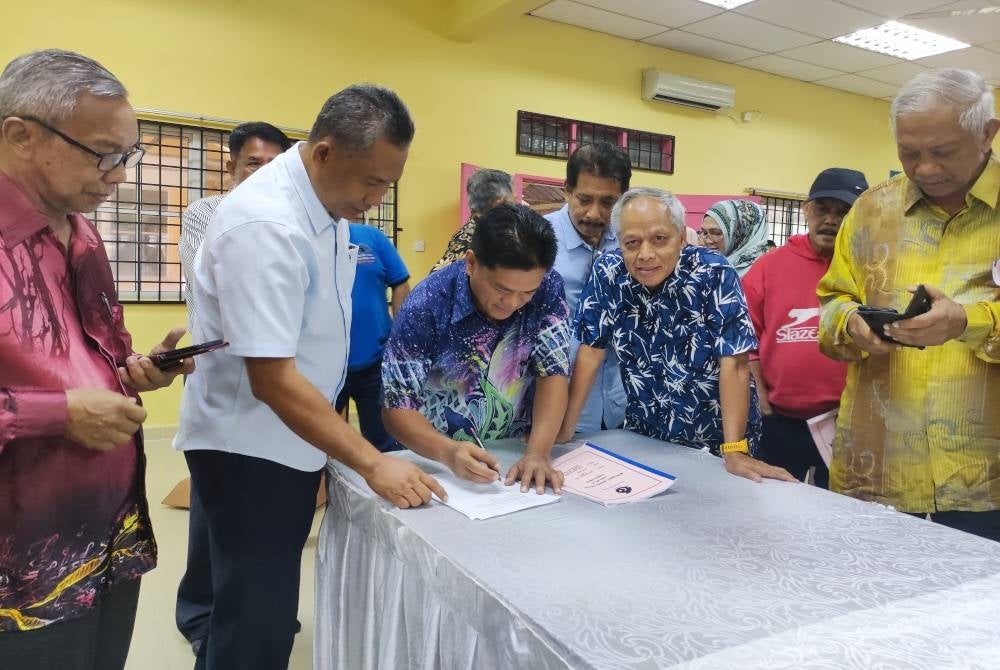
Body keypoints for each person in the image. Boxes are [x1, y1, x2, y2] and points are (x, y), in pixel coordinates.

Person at [174, 84, 445, 670]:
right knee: (255, 622)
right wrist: (371, 460)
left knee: (259, 609)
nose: (375, 199)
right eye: (369, 181)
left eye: (386, 185)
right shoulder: (265, 223)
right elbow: (271, 379)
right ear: (323, 153)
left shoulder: (326, 205)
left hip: (292, 436)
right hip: (251, 445)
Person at [0, 49, 190, 669]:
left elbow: (88, 354)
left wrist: (137, 369)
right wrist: (55, 414)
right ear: (21, 135)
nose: (117, 175)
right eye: (101, 153)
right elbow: (56, 399)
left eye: (126, 155)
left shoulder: (82, 232)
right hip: (20, 563)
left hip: (109, 532)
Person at [818, 68, 1000, 542]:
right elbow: (832, 301)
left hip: (987, 482)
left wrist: (968, 321)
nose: (924, 168)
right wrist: (850, 323)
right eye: (908, 152)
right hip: (879, 472)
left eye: (942, 152)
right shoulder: (870, 211)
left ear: (988, 134)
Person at [557, 187, 795, 484]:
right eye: (631, 243)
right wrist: (566, 427)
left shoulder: (713, 273)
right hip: (645, 434)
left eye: (659, 239)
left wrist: (734, 450)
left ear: (681, 236)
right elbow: (591, 352)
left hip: (718, 440)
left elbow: (733, 363)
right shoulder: (608, 272)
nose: (645, 255)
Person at [174, 121, 291, 655]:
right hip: (217, 379)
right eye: (252, 163)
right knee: (211, 511)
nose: (263, 174)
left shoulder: (289, 217)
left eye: (273, 164)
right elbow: (216, 290)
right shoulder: (207, 213)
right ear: (231, 166)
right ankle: (200, 615)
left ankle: (250, 616)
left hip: (276, 387)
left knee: (257, 523)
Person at [382, 203, 571, 493]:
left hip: (512, 453)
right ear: (471, 263)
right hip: (433, 459)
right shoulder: (427, 305)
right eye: (502, 289)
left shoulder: (548, 288)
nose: (512, 303)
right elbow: (397, 409)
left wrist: (538, 453)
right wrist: (447, 451)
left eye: (527, 293)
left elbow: (553, 370)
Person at [742, 168, 868, 488]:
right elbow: (745, 337)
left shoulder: (870, 271)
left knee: (842, 515)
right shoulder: (769, 266)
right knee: (775, 510)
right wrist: (761, 397)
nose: (831, 220)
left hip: (848, 422)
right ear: (807, 210)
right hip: (780, 420)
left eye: (843, 212)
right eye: (822, 209)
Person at [545, 142, 629, 435]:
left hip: (618, 406)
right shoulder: (540, 241)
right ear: (566, 190)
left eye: (608, 202)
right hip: (552, 408)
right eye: (584, 199)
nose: (594, 214)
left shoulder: (630, 244)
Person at [334, 221, 410, 452]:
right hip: (327, 366)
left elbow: (400, 283)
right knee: (318, 447)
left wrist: (399, 336)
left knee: (387, 443)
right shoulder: (311, 237)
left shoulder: (372, 237)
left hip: (376, 362)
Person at [431, 167, 514, 272]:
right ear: (499, 202)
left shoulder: (486, 231)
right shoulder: (470, 239)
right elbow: (436, 280)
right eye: (511, 203)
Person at [699, 199, 769, 276]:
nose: (708, 241)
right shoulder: (704, 266)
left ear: (740, 234)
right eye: (705, 233)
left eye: (716, 233)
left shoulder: (765, 274)